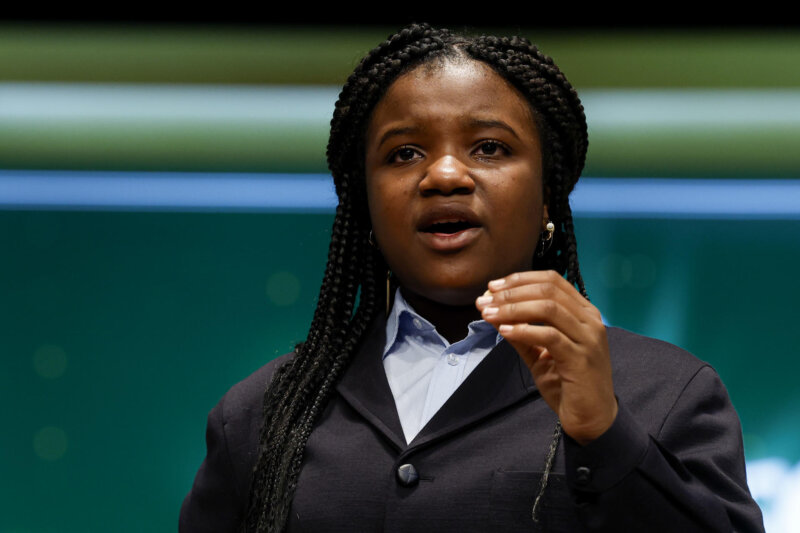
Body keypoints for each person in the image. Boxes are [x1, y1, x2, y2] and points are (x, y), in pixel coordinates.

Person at [180, 24, 764, 532]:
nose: (445, 174)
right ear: (365, 203)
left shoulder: (671, 393)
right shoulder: (260, 414)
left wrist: (605, 434)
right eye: (404, 153)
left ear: (546, 200)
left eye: (489, 147)